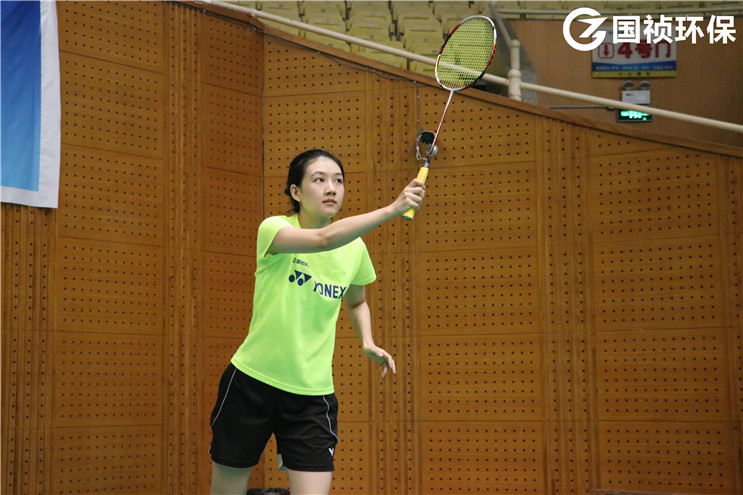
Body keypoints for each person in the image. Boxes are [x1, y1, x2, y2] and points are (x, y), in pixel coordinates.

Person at [209, 149, 426, 495]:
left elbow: (356, 300)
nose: (331, 188)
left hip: (312, 395)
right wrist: (392, 208)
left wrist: (367, 340)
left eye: (338, 181)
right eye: (319, 179)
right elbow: (324, 240)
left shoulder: (354, 249)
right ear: (296, 192)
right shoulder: (274, 229)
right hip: (251, 383)